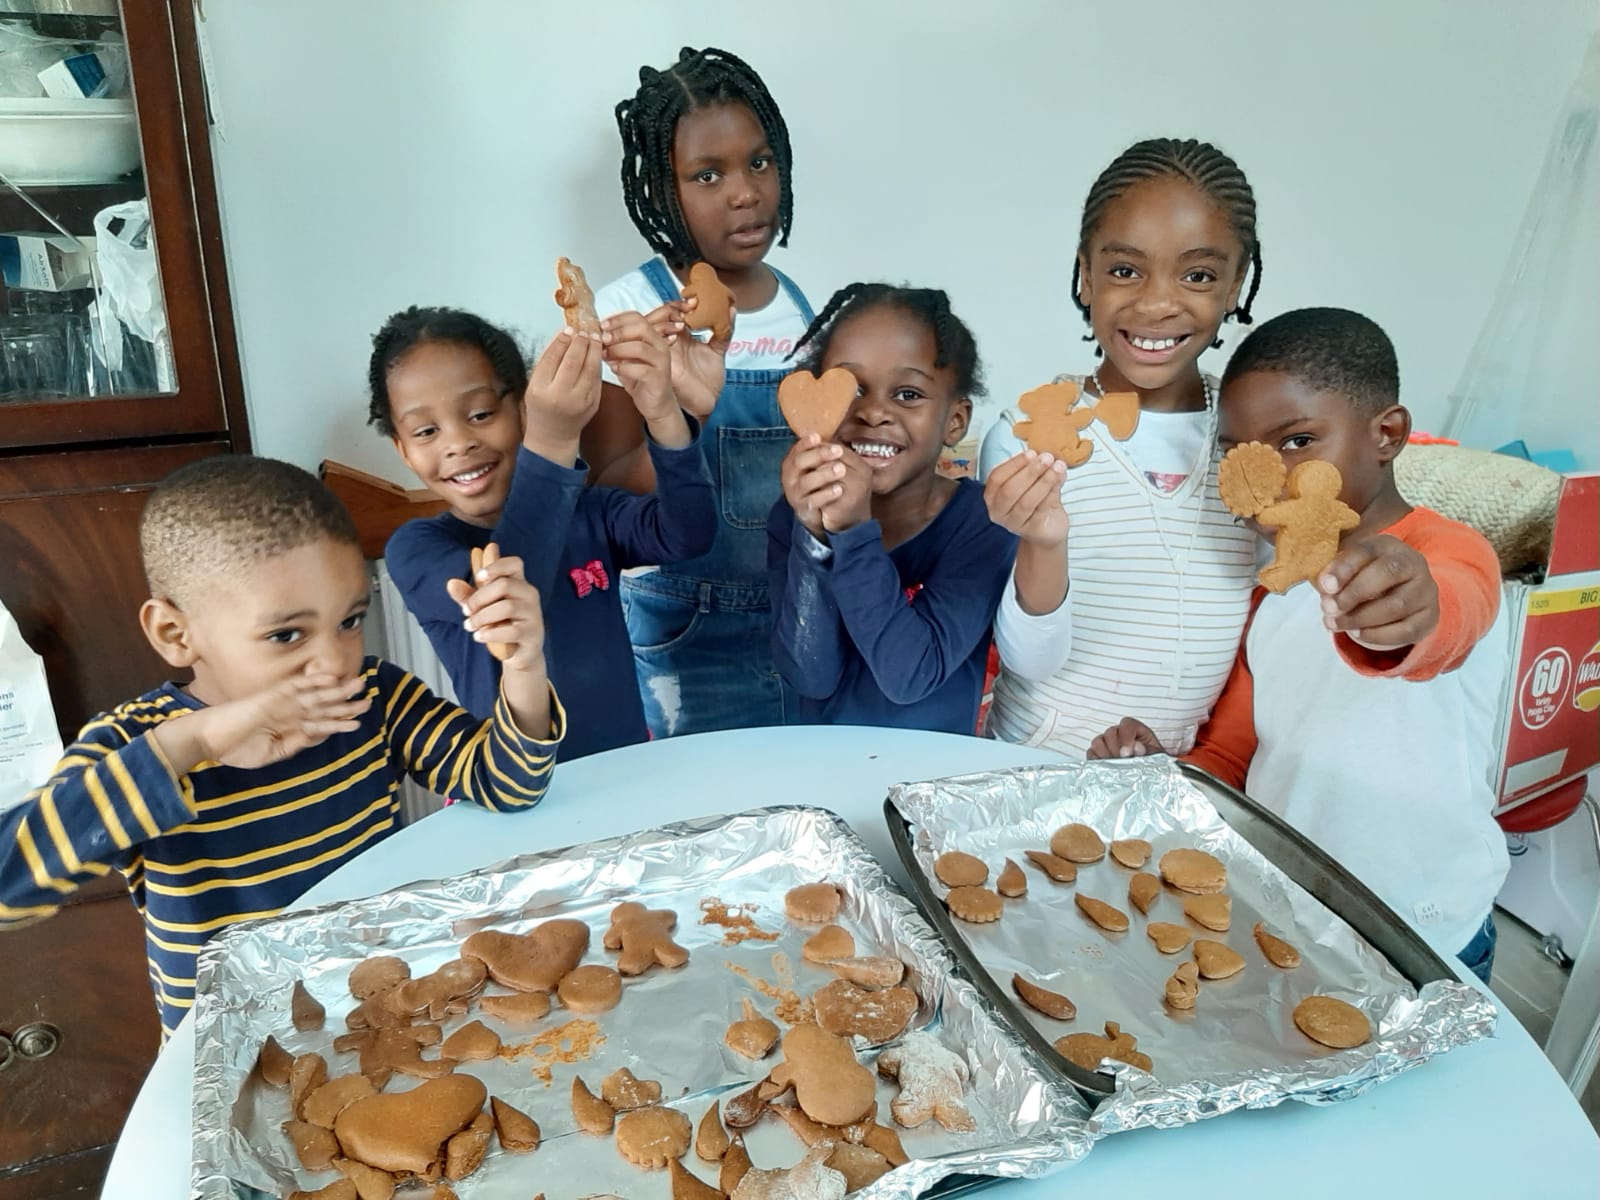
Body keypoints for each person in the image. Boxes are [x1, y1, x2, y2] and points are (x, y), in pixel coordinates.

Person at [0, 457, 564, 1034]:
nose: (334, 660)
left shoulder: (373, 696)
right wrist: (190, 742)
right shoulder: (136, 746)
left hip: (383, 1009)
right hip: (237, 1044)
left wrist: (523, 665)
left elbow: (509, 784)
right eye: (286, 635)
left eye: (349, 621)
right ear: (176, 634)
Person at [1090, 308, 1510, 983]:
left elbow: (1454, 611)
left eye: (1298, 441)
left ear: (1387, 434)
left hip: (1426, 928)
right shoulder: (1272, 592)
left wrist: (1408, 603)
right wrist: (1158, 772)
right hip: (1292, 911)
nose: (1267, 477)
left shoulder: (1443, 554)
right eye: (1237, 451)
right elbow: (1235, 751)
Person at [978, 138, 1262, 756]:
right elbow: (1029, 660)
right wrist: (1044, 540)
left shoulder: (1252, 444)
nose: (1157, 303)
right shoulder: (1027, 437)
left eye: (1198, 275)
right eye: (1125, 270)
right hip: (1029, 773)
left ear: (1237, 284)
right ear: (1085, 274)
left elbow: (1268, 641)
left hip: (1176, 783)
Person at [583, 46, 817, 738]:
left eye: (760, 161)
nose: (744, 192)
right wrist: (682, 407)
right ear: (663, 189)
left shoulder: (807, 311)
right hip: (683, 628)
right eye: (707, 175)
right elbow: (609, 490)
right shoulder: (630, 309)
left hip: (796, 619)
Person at [372, 306, 714, 760]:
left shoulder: (590, 511)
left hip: (624, 769)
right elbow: (512, 593)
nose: (457, 443)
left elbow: (689, 534)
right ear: (404, 452)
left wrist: (664, 412)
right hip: (518, 795)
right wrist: (553, 443)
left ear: (523, 411)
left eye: (479, 414)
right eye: (427, 431)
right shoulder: (417, 551)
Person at [769, 284, 1017, 733]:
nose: (873, 413)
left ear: (955, 420)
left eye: (907, 395)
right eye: (852, 389)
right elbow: (810, 675)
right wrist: (814, 538)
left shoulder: (985, 522)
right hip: (820, 774)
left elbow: (910, 675)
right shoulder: (793, 515)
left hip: (931, 784)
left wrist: (852, 532)